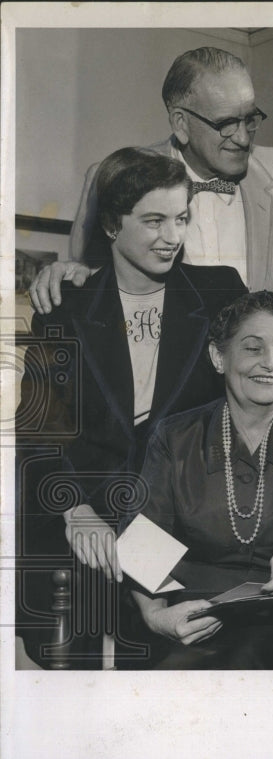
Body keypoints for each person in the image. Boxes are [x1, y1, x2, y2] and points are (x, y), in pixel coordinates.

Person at [15, 147, 247, 666]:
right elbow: (38, 431)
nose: (172, 236)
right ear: (113, 226)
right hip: (88, 504)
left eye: (181, 218)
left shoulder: (218, 293)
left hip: (178, 509)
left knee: (167, 657)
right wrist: (75, 508)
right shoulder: (67, 307)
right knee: (69, 644)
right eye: (154, 221)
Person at [126, 292, 273, 669]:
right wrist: (157, 617)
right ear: (219, 357)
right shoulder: (176, 437)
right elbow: (143, 536)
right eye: (253, 349)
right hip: (193, 623)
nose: (270, 364)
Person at [29, 46, 273, 312]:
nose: (241, 137)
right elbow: (90, 276)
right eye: (225, 124)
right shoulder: (116, 177)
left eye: (249, 119)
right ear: (181, 123)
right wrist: (67, 274)